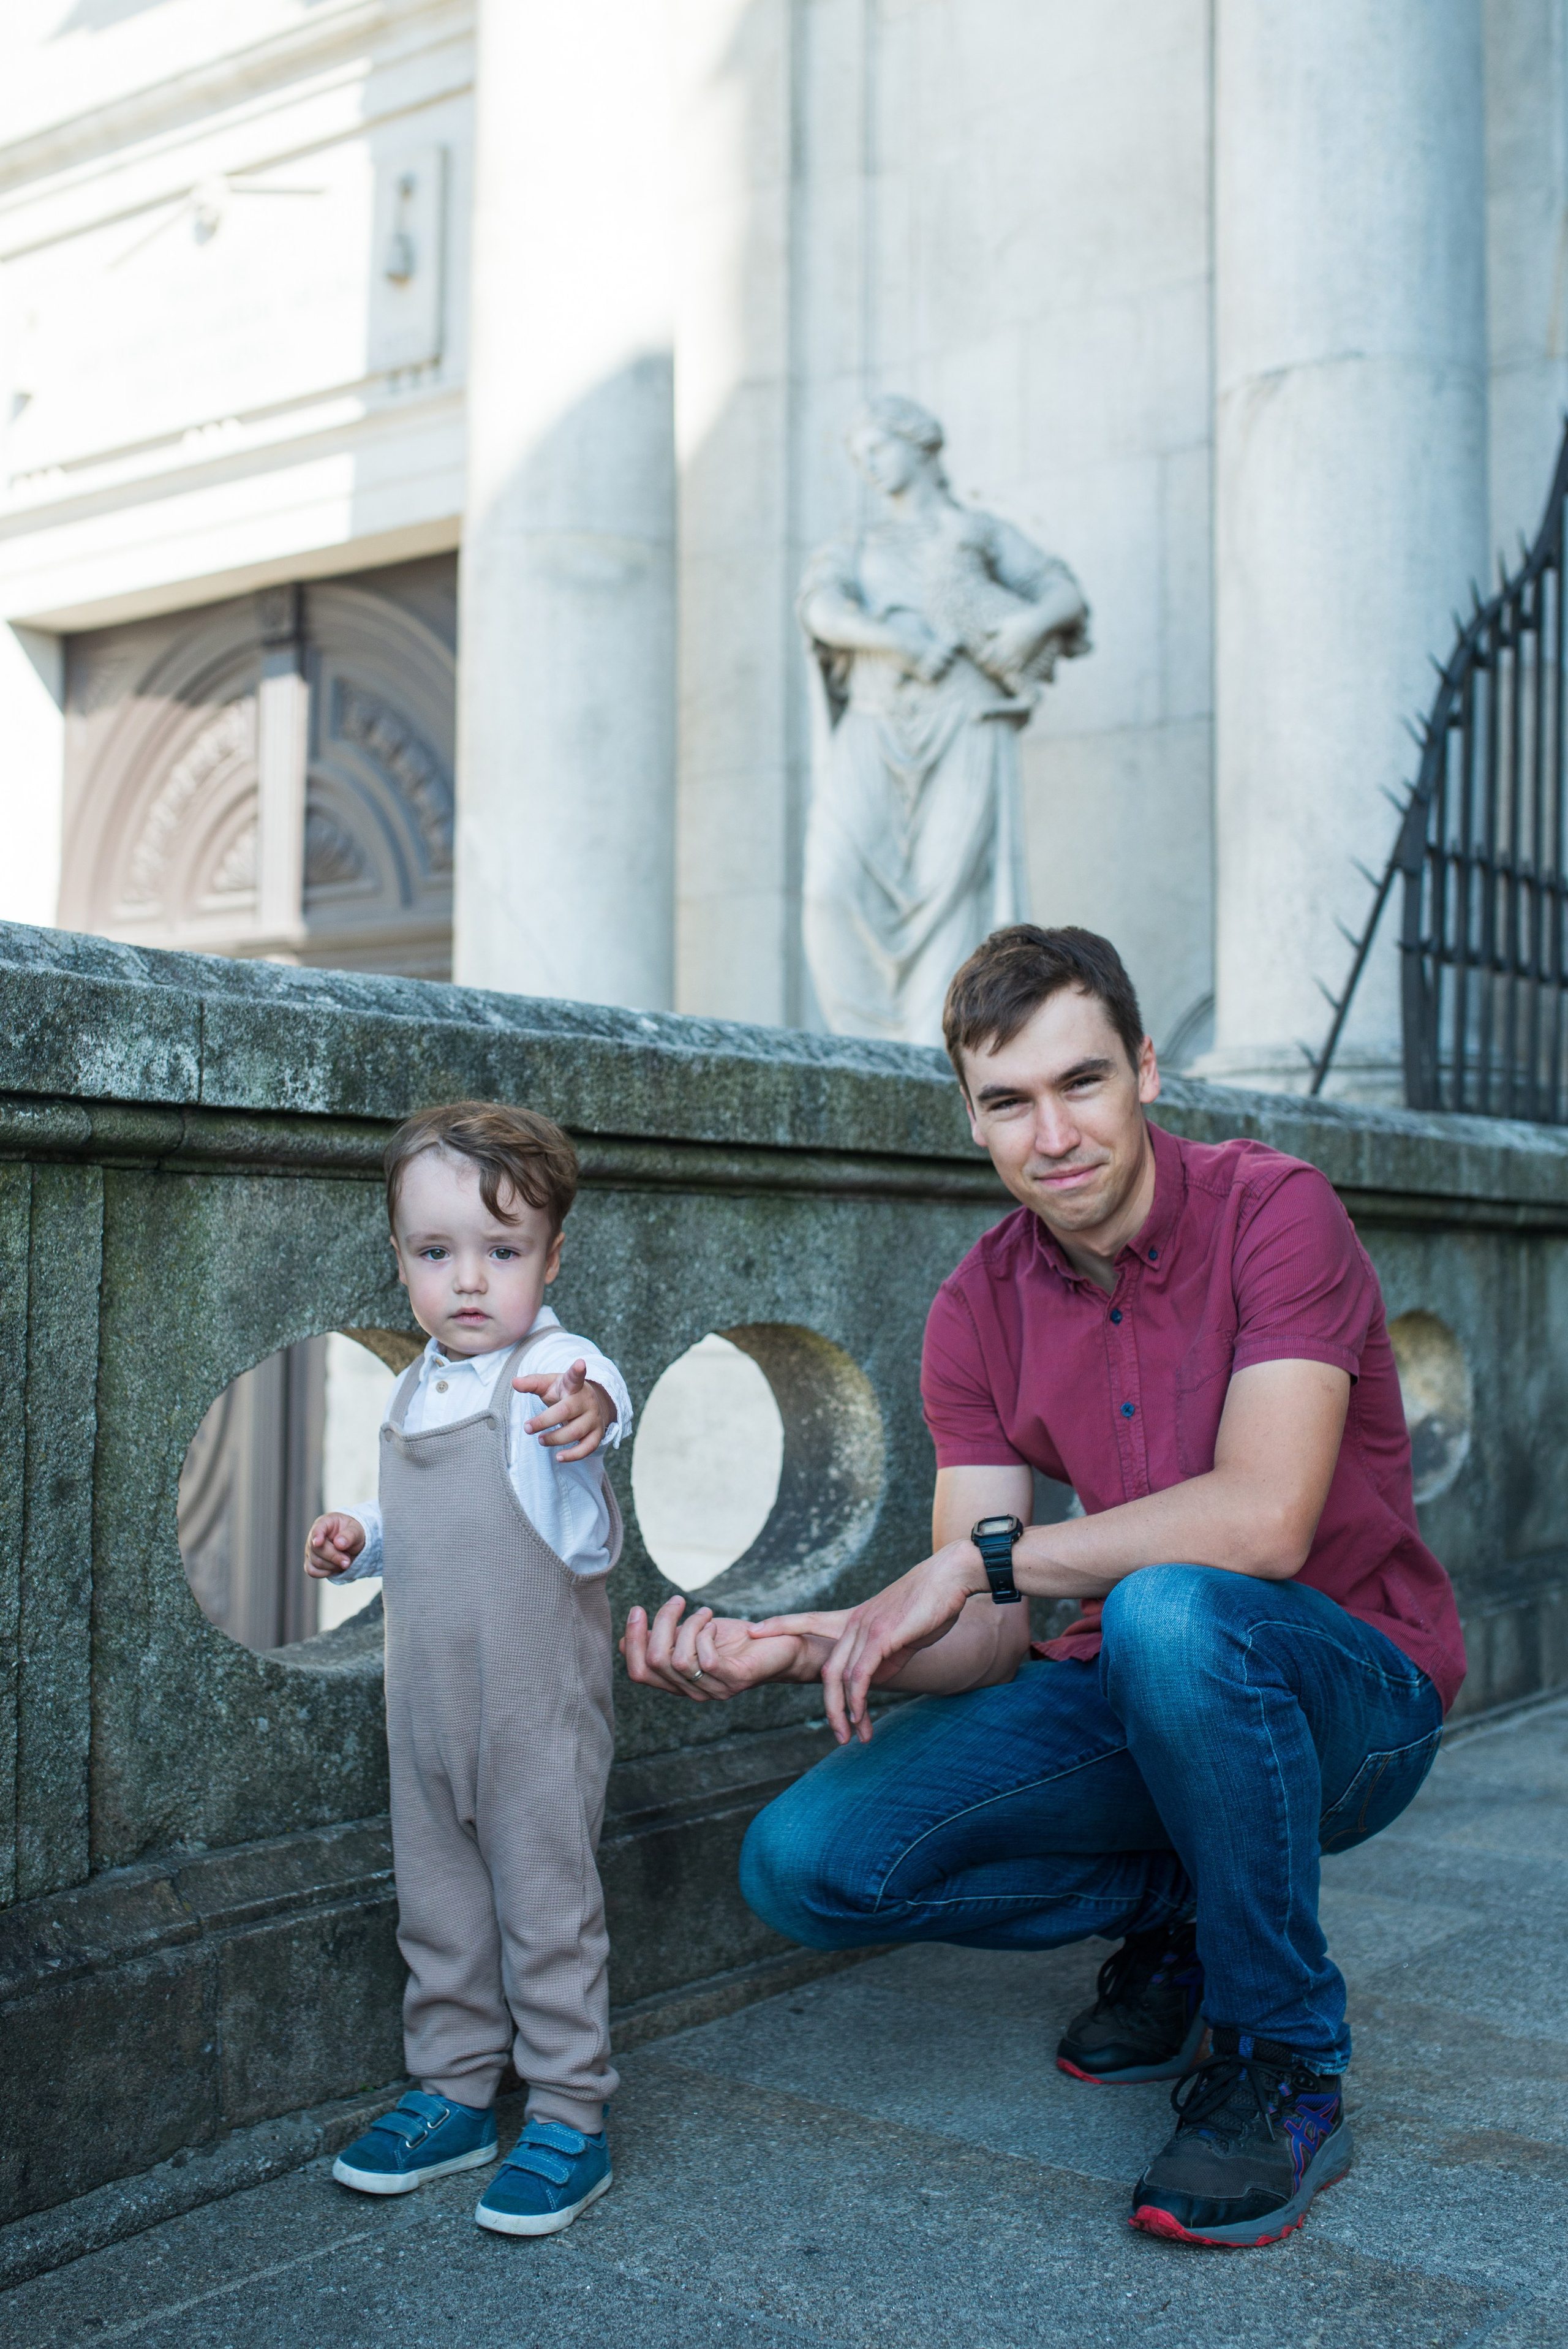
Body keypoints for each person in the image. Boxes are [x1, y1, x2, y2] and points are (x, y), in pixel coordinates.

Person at [623, 924, 1464, 2251]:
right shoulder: (977, 1307)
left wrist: (976, 1560)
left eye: (1079, 1082)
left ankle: (1284, 2060)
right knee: (807, 1863)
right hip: (1134, 1690)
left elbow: (1259, 1519)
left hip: (1351, 1696)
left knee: (1169, 1607)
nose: (1052, 1132)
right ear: (970, 1121)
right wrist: (808, 1647)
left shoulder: (1272, 1208)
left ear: (1143, 1068)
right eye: (1007, 1102)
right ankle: (1188, 1902)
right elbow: (985, 1643)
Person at [305, 1101, 632, 2238]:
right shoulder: (419, 1384)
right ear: (400, 1260)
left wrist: (591, 1413)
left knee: (546, 1904)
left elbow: (602, 1397)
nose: (471, 1282)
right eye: (437, 1254)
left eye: (504, 1253)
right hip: (429, 1713)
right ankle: (453, 2089)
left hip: (534, 1713)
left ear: (551, 1256)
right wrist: (359, 1536)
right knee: (440, 1903)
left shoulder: (552, 1369)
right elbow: (414, 1516)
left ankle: (567, 2115)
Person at [798, 395, 1088, 1045]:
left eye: (879, 447)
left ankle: (937, 1051)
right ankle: (867, 1047)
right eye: (859, 456)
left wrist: (1024, 628)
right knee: (830, 887)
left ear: (919, 443)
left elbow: (1062, 594)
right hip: (874, 724)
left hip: (961, 722)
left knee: (948, 892)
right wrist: (899, 643)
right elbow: (820, 609)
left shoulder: (974, 531)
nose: (869, 465)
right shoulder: (855, 544)